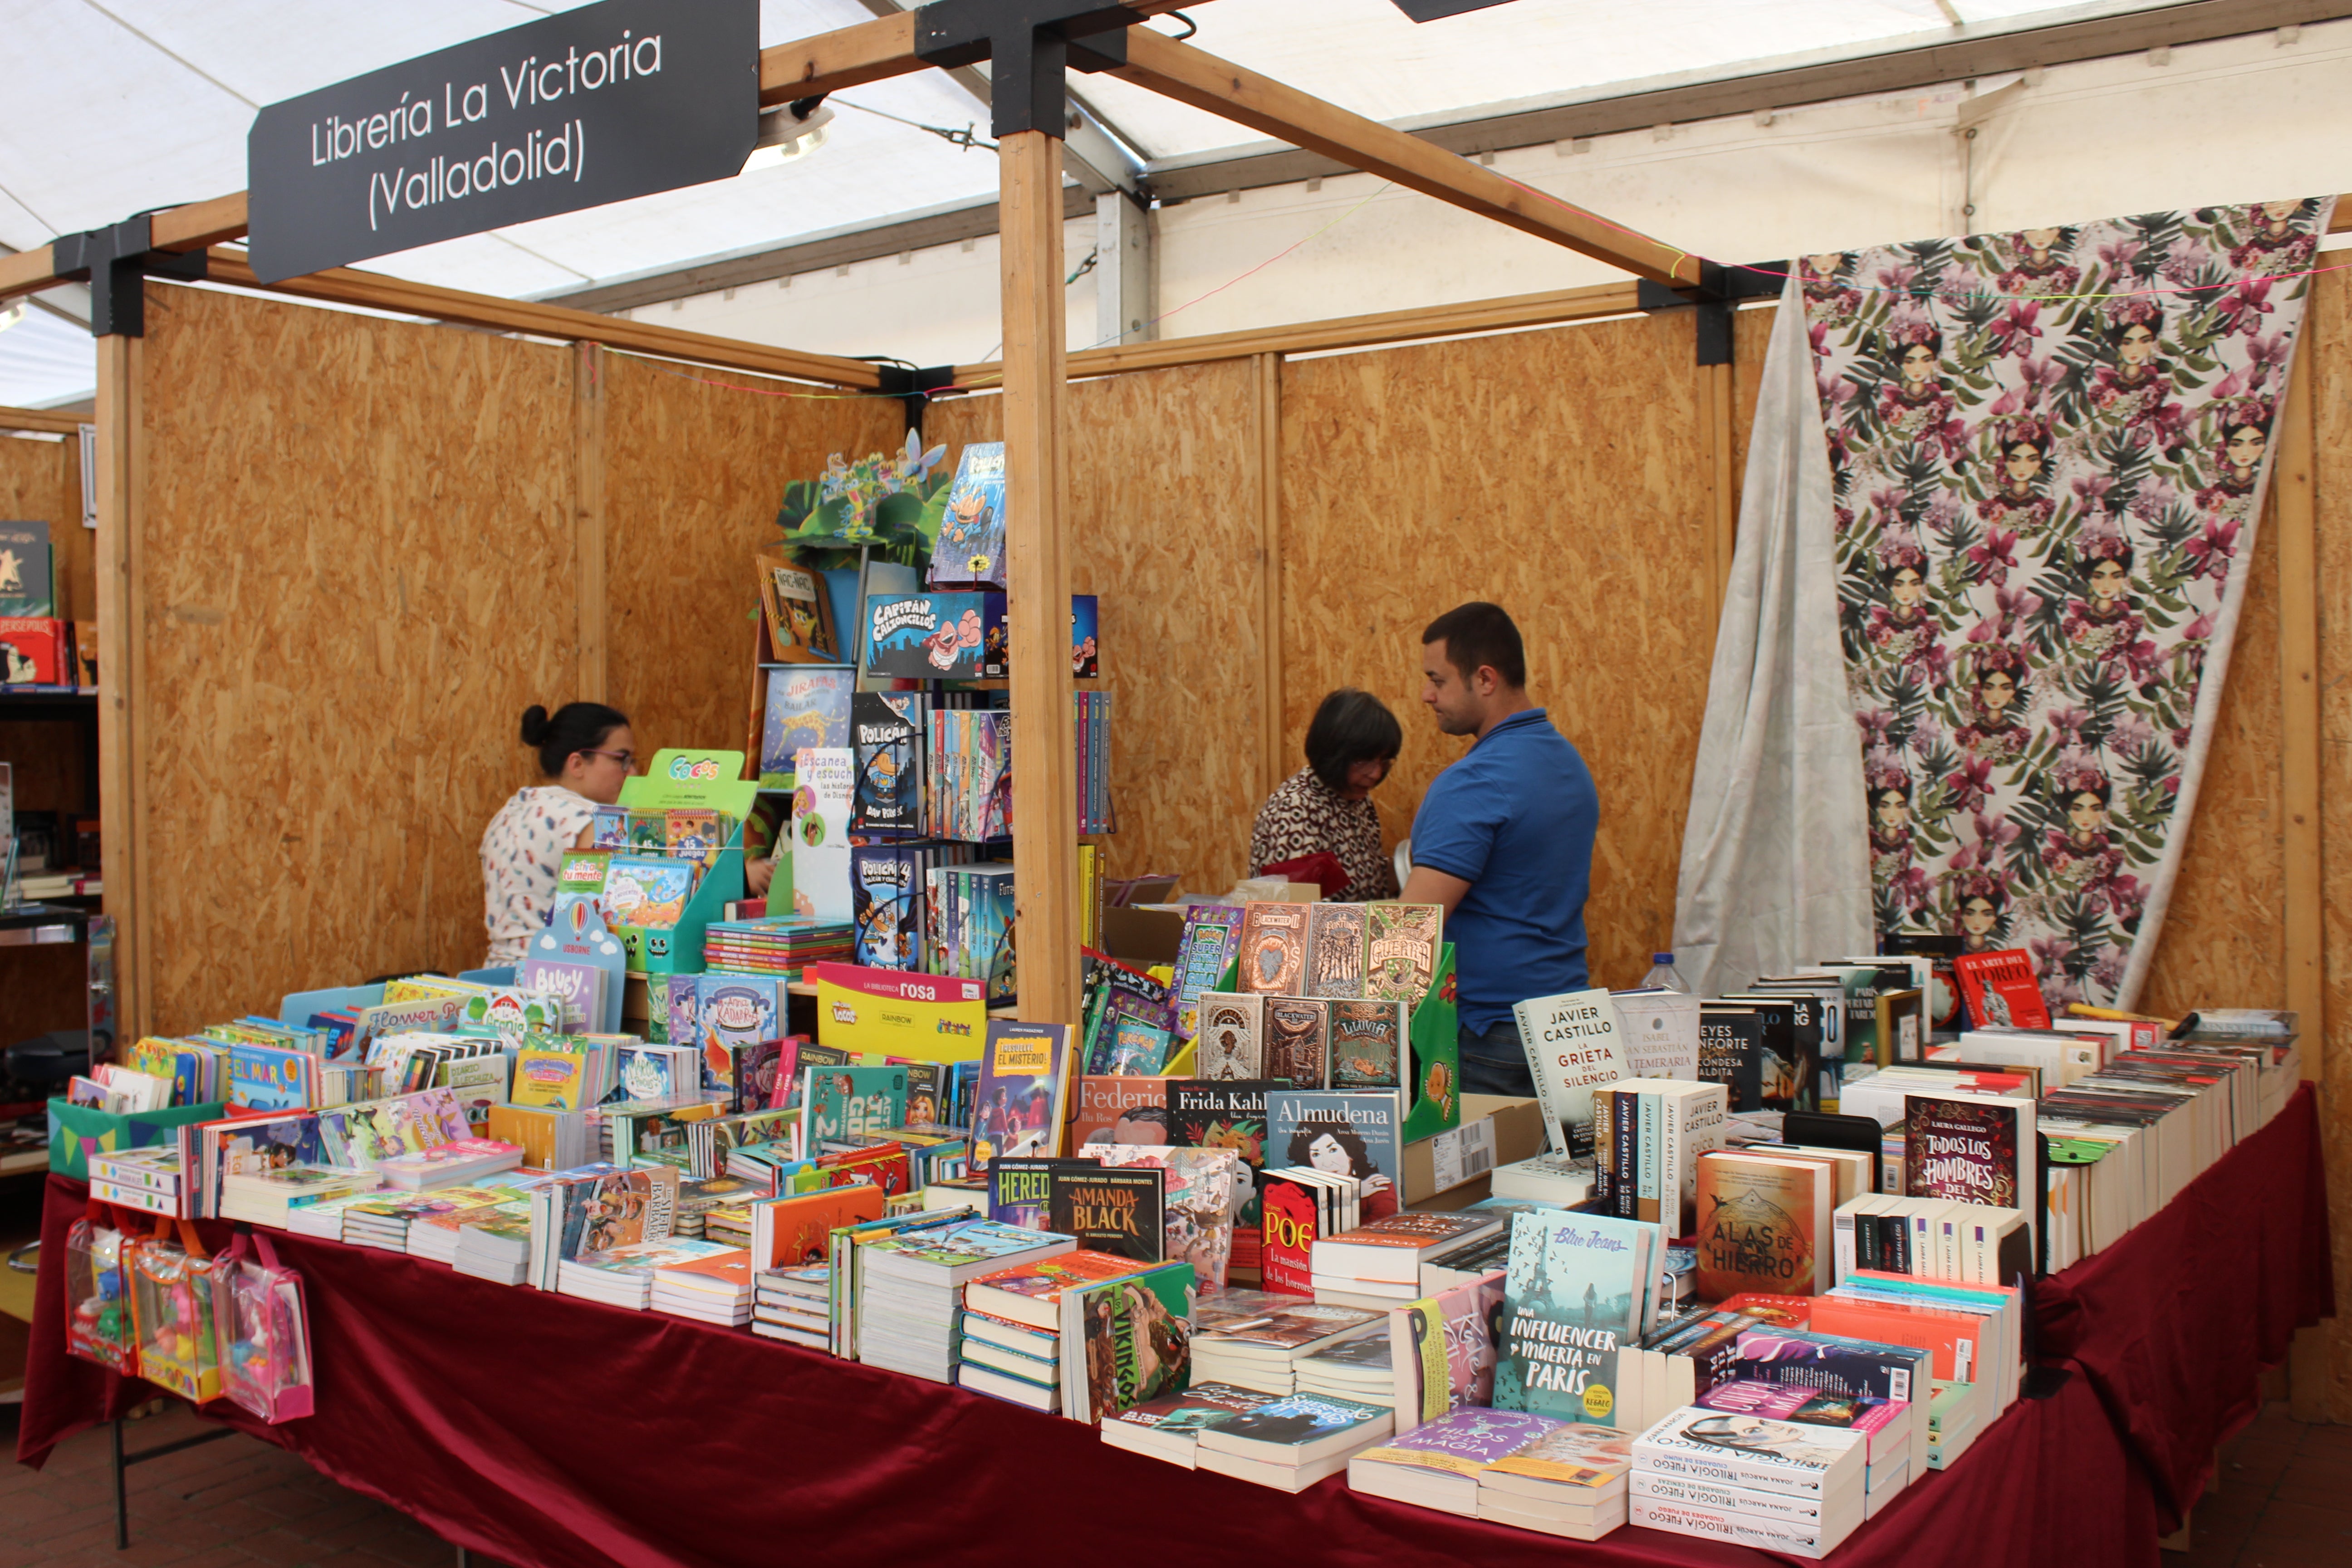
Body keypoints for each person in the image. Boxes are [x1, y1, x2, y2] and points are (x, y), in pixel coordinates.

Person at [1401, 603, 1598, 1098]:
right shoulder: (1568, 764)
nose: (1427, 695)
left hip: (1491, 1035)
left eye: (1438, 680)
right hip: (1568, 1029)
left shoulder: (1475, 781)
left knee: (1481, 1178)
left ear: (1485, 679)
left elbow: (1412, 928)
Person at [480, 701, 635, 966]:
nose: (633, 773)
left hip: (496, 978)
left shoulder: (507, 813)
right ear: (577, 764)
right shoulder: (587, 820)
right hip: (558, 984)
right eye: (621, 760)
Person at [1248, 688, 1403, 902]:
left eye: (1384, 762)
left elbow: (1372, 884)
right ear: (1332, 753)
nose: (1376, 774)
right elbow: (1299, 912)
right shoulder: (1296, 809)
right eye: (1362, 761)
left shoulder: (1358, 800)